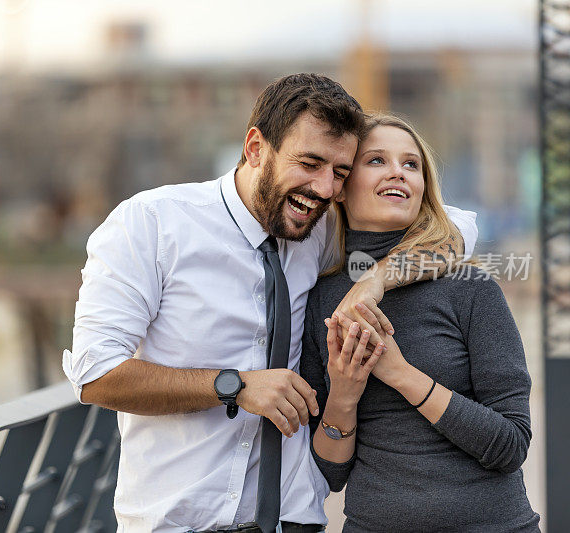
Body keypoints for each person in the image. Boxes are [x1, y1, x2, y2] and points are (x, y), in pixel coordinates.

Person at [62, 74, 479, 533]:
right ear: (256, 147)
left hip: (292, 519)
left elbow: (456, 228)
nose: (324, 189)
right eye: (310, 163)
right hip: (177, 522)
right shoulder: (151, 224)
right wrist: (236, 386)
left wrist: (376, 280)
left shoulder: (320, 230)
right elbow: (95, 374)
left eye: (340, 173)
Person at [300, 114, 539, 532]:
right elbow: (330, 476)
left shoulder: (470, 287)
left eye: (411, 164)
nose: (398, 171)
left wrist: (400, 374)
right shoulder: (321, 299)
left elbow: (511, 445)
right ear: (340, 186)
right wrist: (343, 394)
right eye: (376, 160)